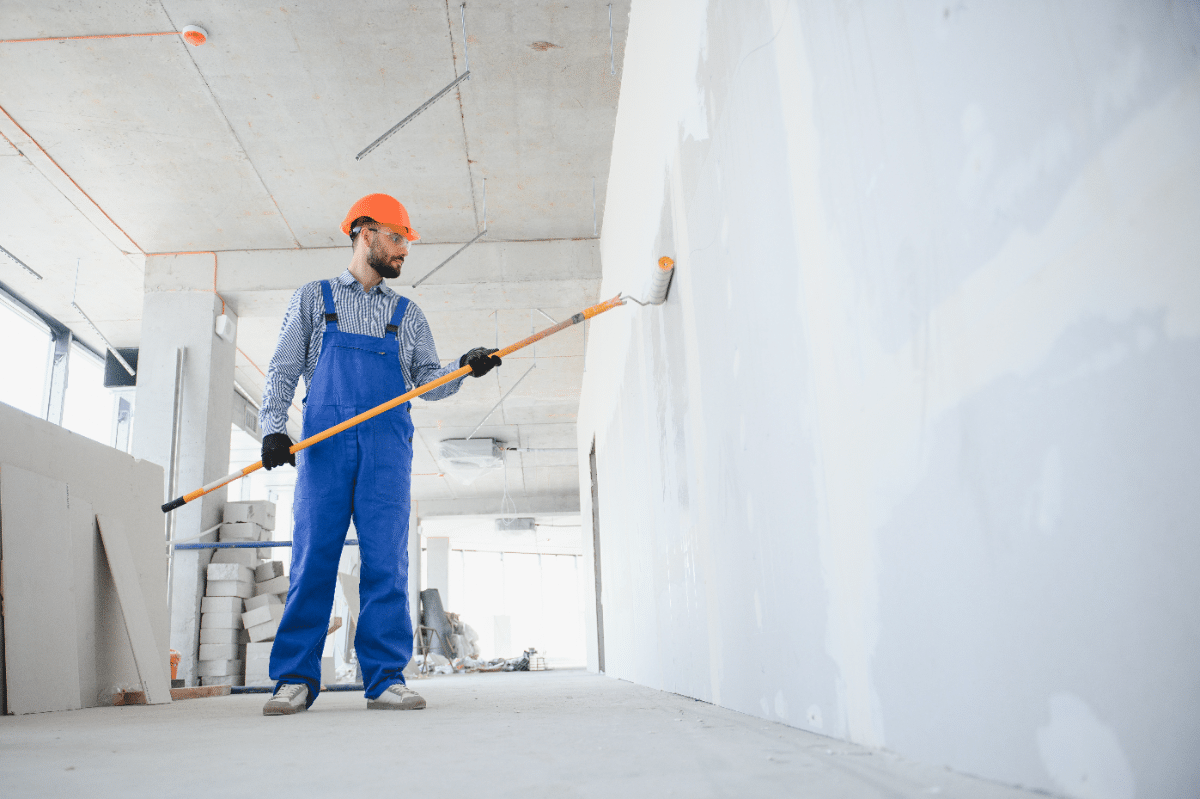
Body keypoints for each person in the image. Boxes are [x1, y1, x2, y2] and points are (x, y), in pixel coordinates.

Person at [256, 194, 500, 716]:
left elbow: (428, 384)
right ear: (364, 232)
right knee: (312, 558)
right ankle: (295, 678)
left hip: (387, 450)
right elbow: (282, 368)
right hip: (324, 446)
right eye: (397, 238)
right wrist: (273, 429)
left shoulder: (405, 314)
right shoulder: (312, 298)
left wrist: (464, 366)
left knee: (387, 562)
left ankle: (385, 678)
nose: (404, 250)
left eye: (407, 242)